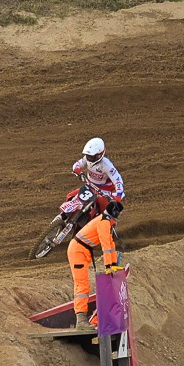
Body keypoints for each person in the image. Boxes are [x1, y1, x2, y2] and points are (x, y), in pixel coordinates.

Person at [67, 136, 125, 330]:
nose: (90, 160)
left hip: (104, 194)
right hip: (78, 249)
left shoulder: (107, 165)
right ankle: (80, 322)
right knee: (82, 286)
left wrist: (118, 195)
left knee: (82, 286)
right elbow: (106, 244)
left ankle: (81, 320)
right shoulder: (104, 223)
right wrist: (110, 265)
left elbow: (118, 181)